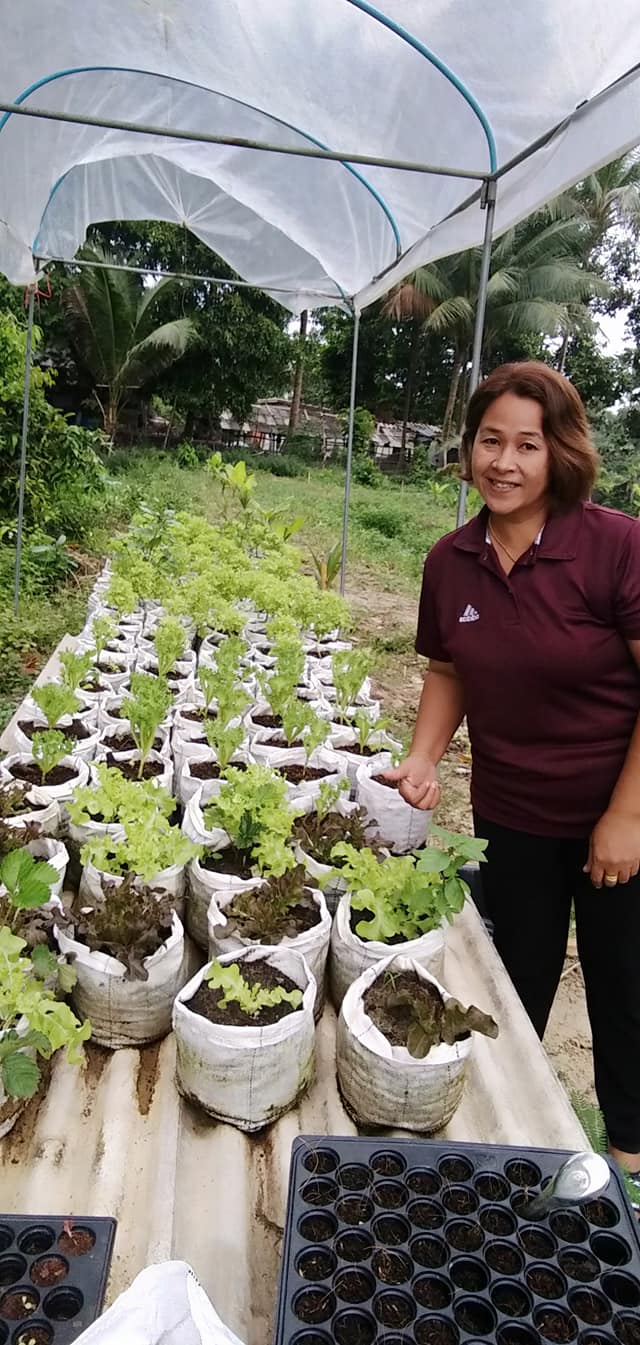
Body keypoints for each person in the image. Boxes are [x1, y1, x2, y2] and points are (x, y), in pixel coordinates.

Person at [387, 361, 640, 1180]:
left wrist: (626, 817)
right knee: (516, 980)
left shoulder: (616, 546)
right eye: (489, 441)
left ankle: (630, 1160)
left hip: (619, 812)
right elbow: (450, 670)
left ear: (558, 452)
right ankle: (518, 1151)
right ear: (468, 451)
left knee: (624, 990)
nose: (504, 461)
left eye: (526, 444)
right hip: (513, 814)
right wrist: (423, 756)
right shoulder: (450, 560)